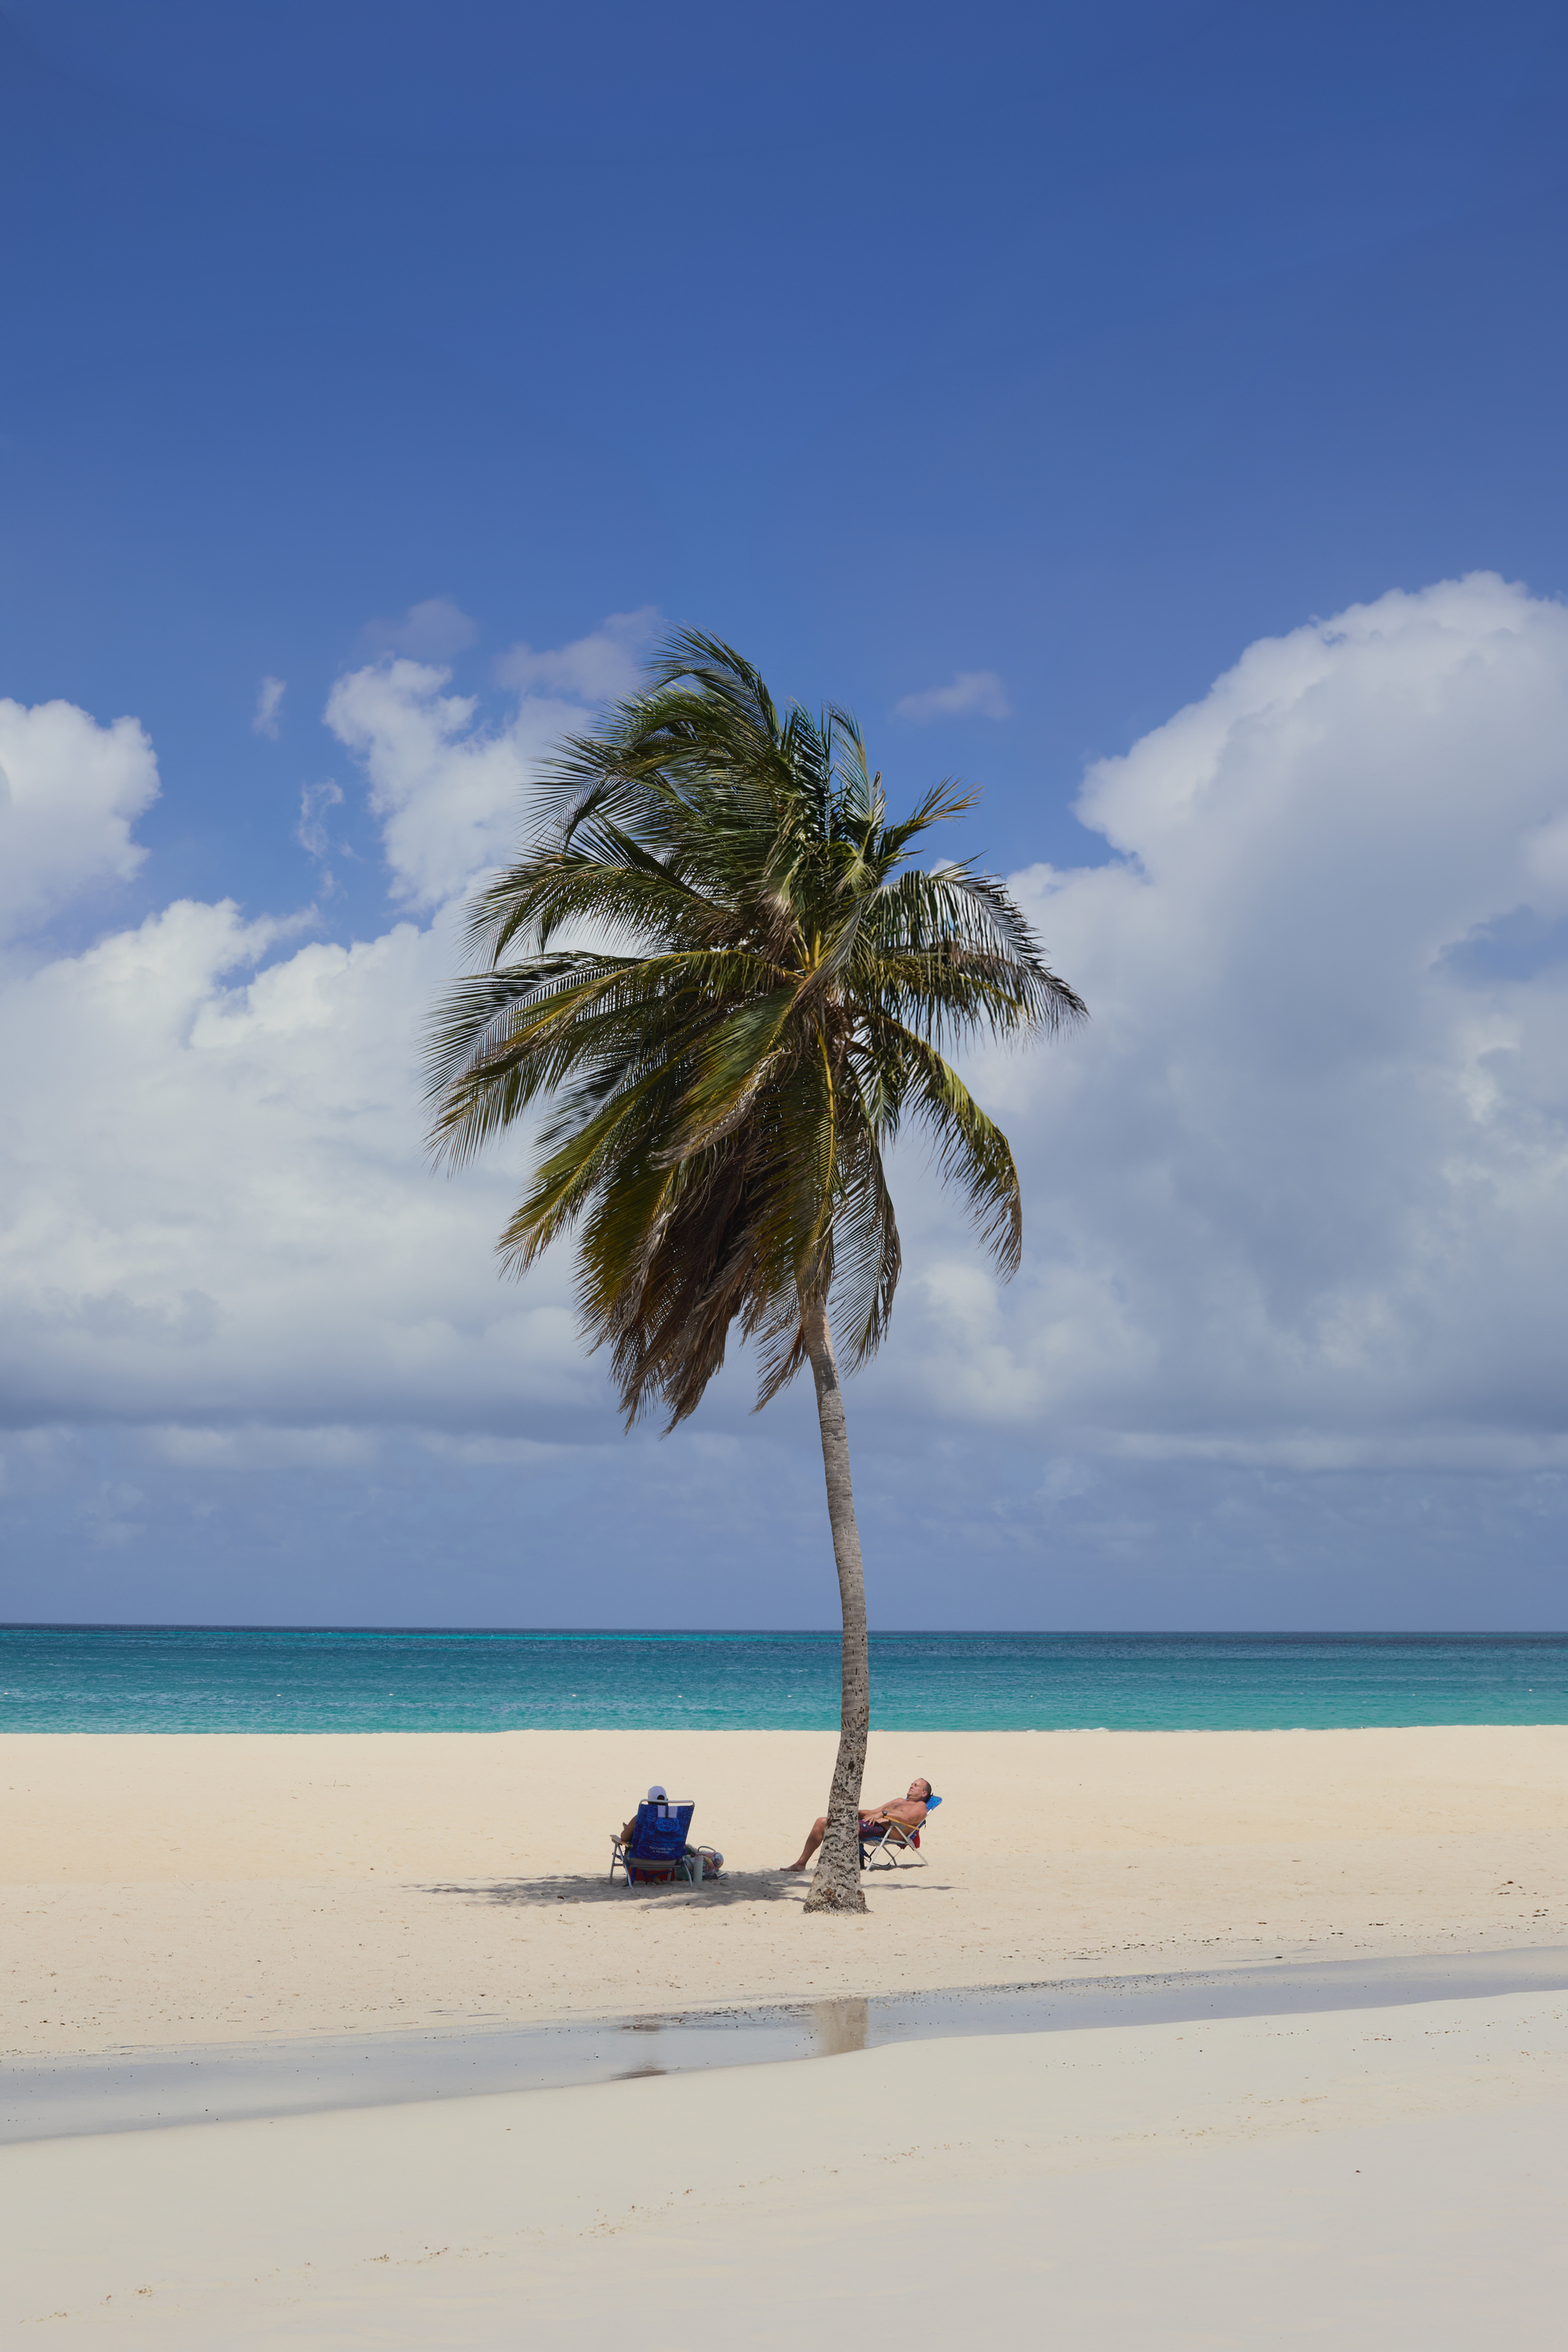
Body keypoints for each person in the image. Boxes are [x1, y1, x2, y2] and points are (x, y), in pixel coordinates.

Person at [780, 1778, 932, 1871]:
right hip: (873, 1825)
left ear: (924, 1793)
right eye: (912, 1783)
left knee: (838, 1827)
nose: (912, 1786)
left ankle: (835, 1865)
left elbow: (906, 1818)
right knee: (822, 1821)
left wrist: (884, 1814)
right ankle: (801, 1863)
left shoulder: (920, 1806)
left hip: (885, 1831)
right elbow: (873, 1812)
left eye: (916, 1785)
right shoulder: (899, 1800)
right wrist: (852, 1810)